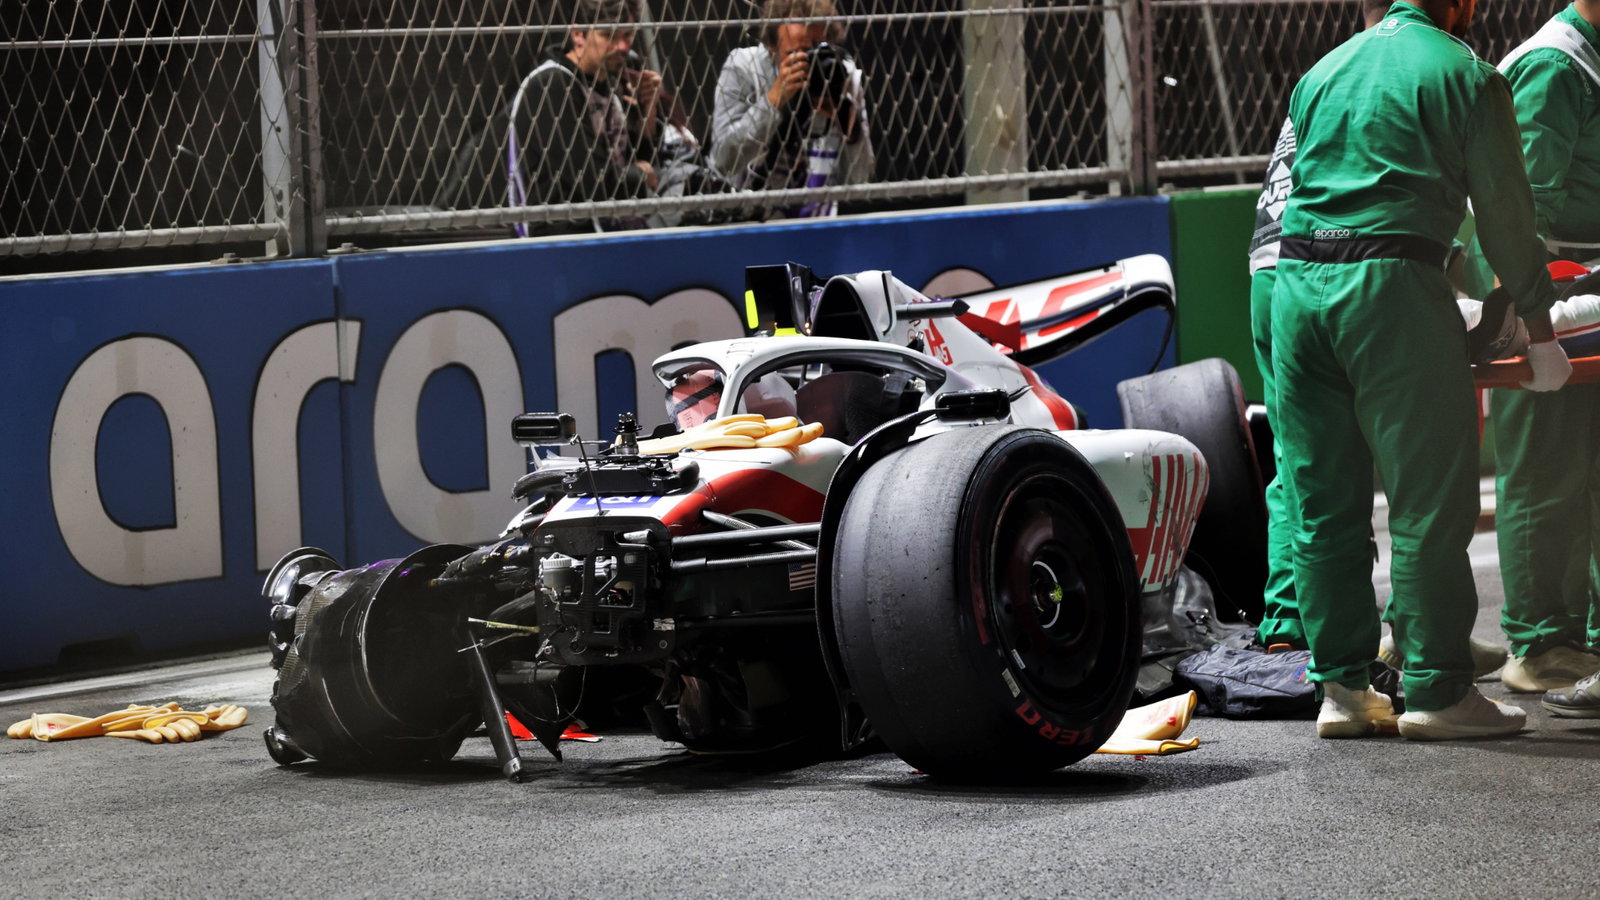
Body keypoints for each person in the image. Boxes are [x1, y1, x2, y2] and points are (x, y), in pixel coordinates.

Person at [1270, 0, 1569, 741]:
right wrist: (1539, 331)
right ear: (1458, 3)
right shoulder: (1465, 72)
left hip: (1295, 291)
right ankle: (1437, 690)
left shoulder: (1321, 71)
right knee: (1427, 500)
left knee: (1322, 501)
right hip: (1391, 294)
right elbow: (1505, 213)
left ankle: (1341, 688)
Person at [1456, 1, 1600, 700]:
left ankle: (1575, 636)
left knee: (1583, 476)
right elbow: (1520, 217)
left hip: (1577, 299)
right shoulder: (1554, 66)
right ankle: (1542, 645)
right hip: (1554, 304)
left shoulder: (1582, 62)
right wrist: (1539, 324)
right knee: (1548, 474)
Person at [506, 0, 662, 236]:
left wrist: (648, 110)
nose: (622, 46)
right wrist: (641, 175)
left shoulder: (609, 83)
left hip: (610, 229)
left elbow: (643, 161)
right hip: (560, 240)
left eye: (628, 35)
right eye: (609, 35)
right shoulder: (552, 85)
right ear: (579, 34)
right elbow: (593, 183)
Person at [709, 0, 875, 218]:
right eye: (798, 53)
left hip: (817, 225)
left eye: (818, 49)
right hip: (751, 222)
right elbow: (722, 161)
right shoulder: (743, 68)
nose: (809, 61)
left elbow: (859, 181)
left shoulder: (841, 76)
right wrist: (772, 102)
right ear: (772, 47)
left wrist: (851, 133)